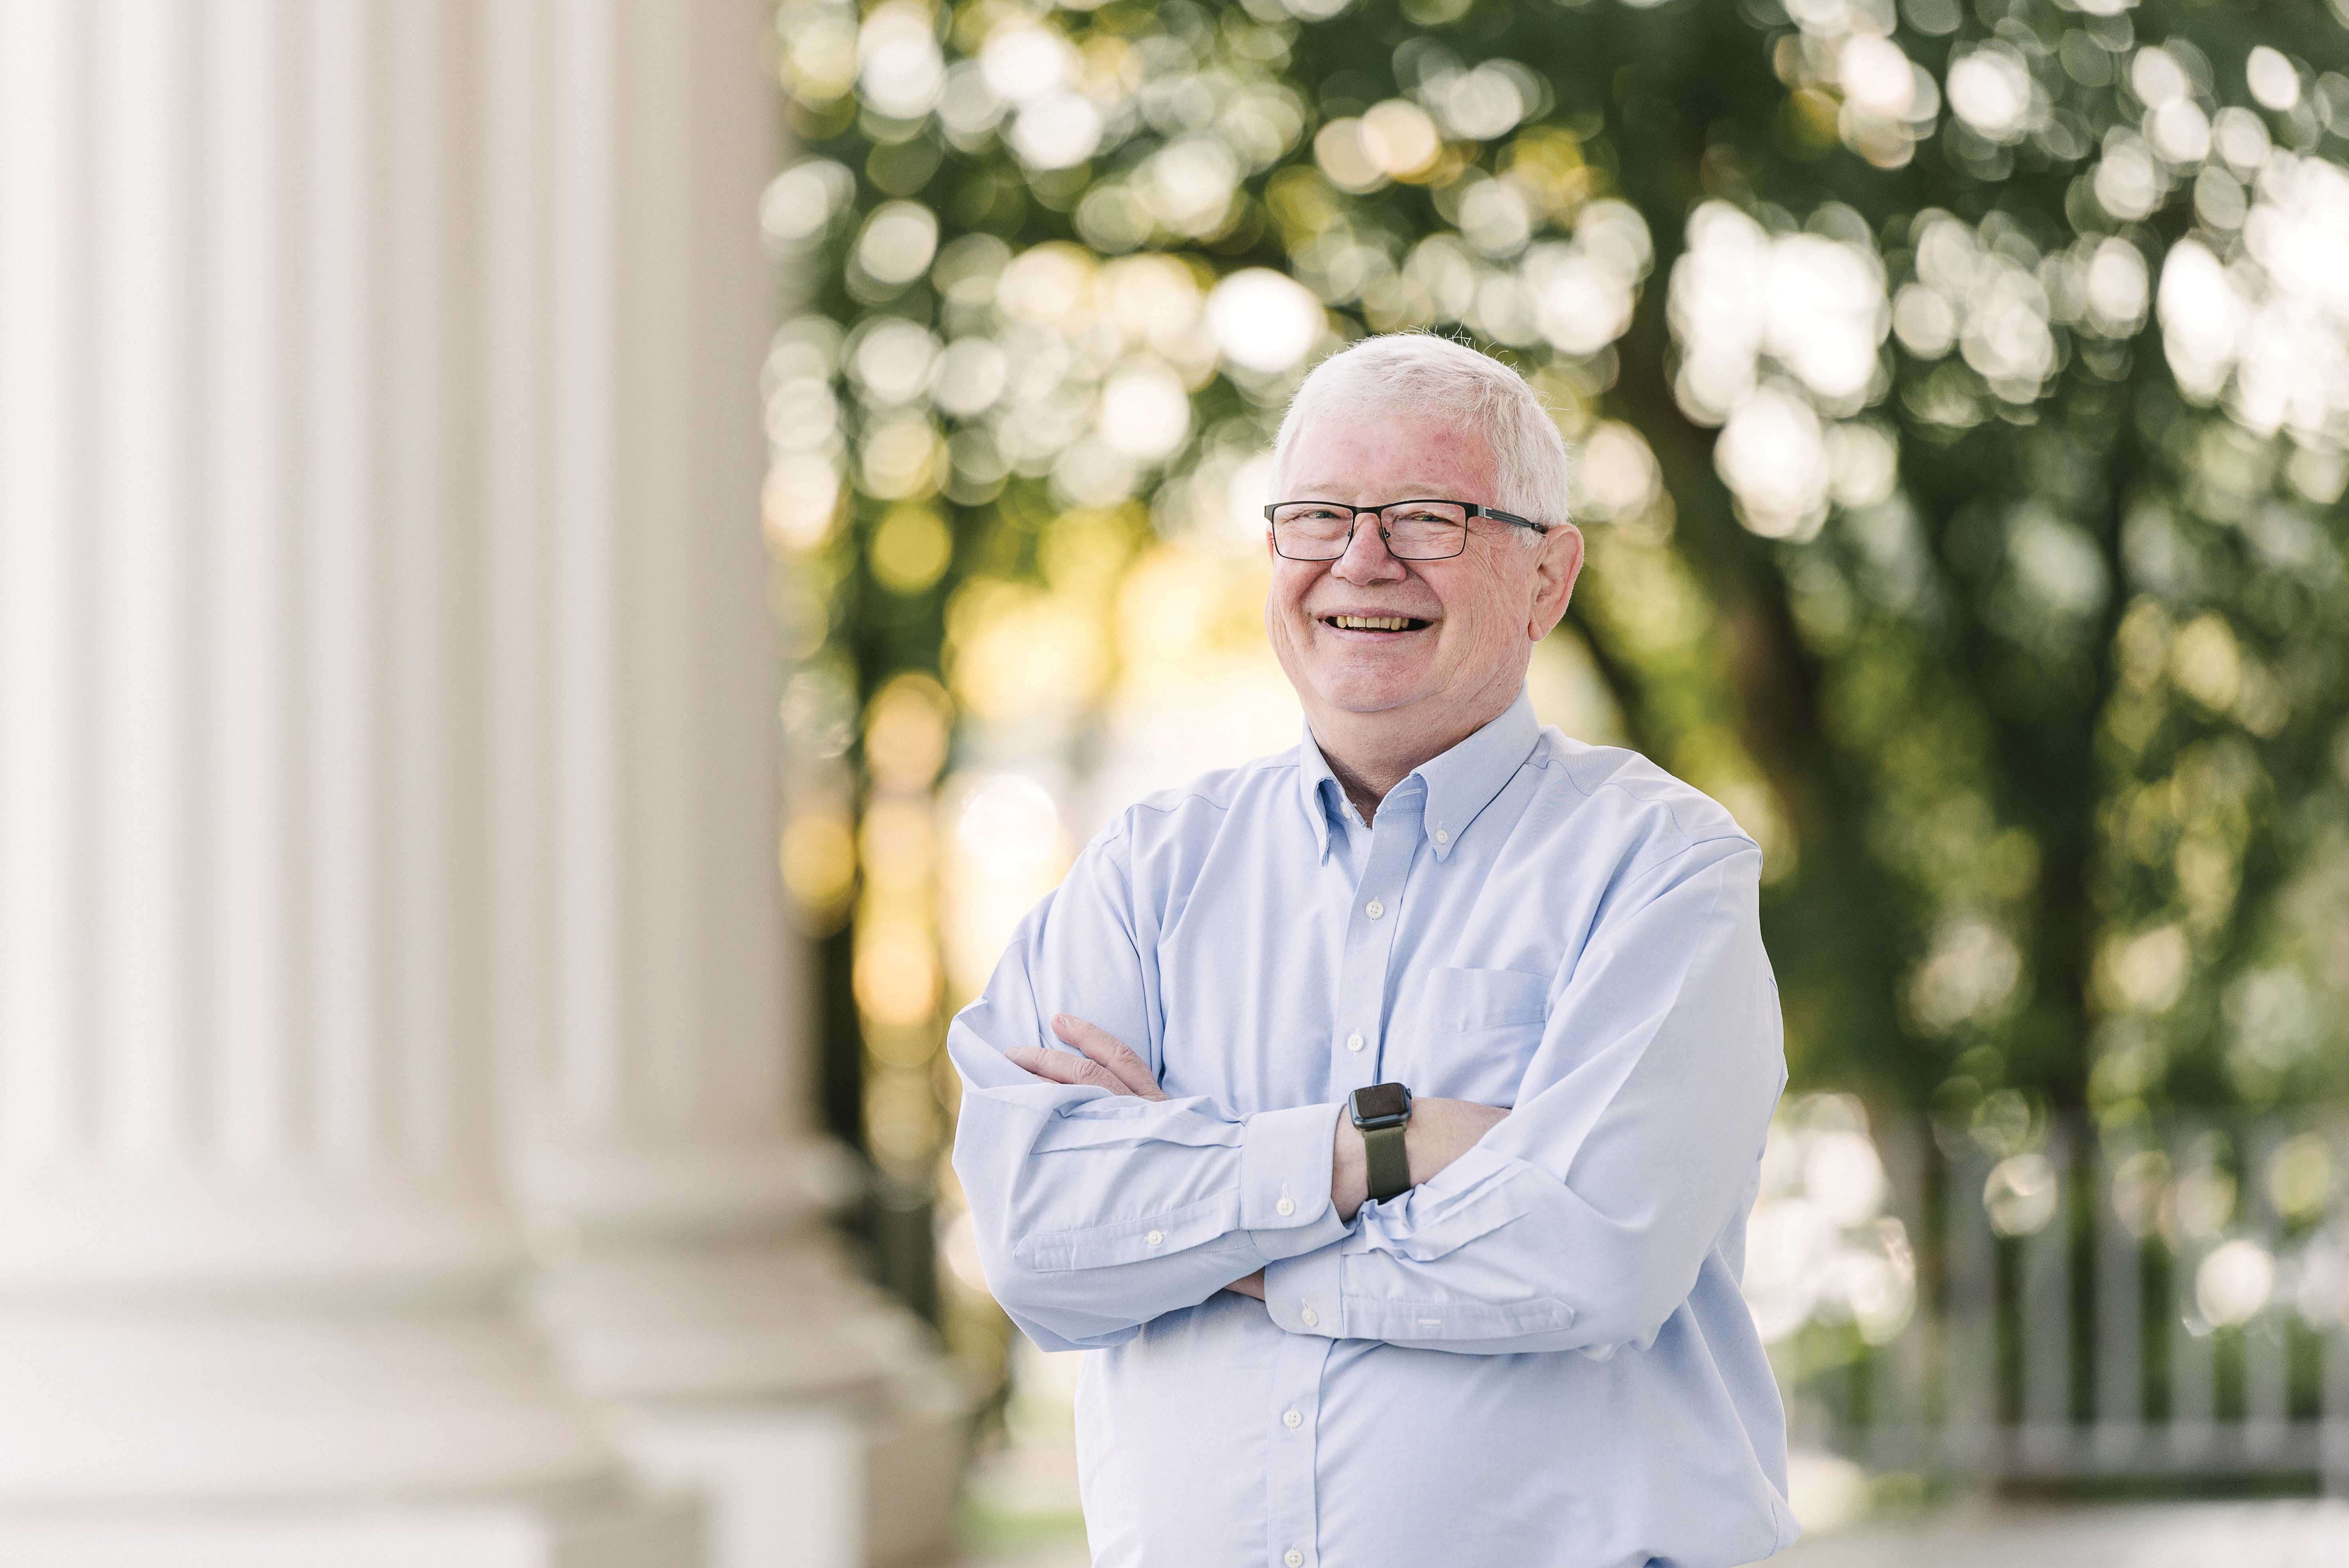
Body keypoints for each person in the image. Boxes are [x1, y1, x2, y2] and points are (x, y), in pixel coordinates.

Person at [948, 332, 1797, 1568]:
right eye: (1319, 516)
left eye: (1426, 516)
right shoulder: (1146, 873)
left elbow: (1589, 1252)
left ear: (1547, 577)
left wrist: (1212, 1245)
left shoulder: (1661, 872)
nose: (1361, 557)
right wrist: (1365, 1149)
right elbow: (1037, 1239)